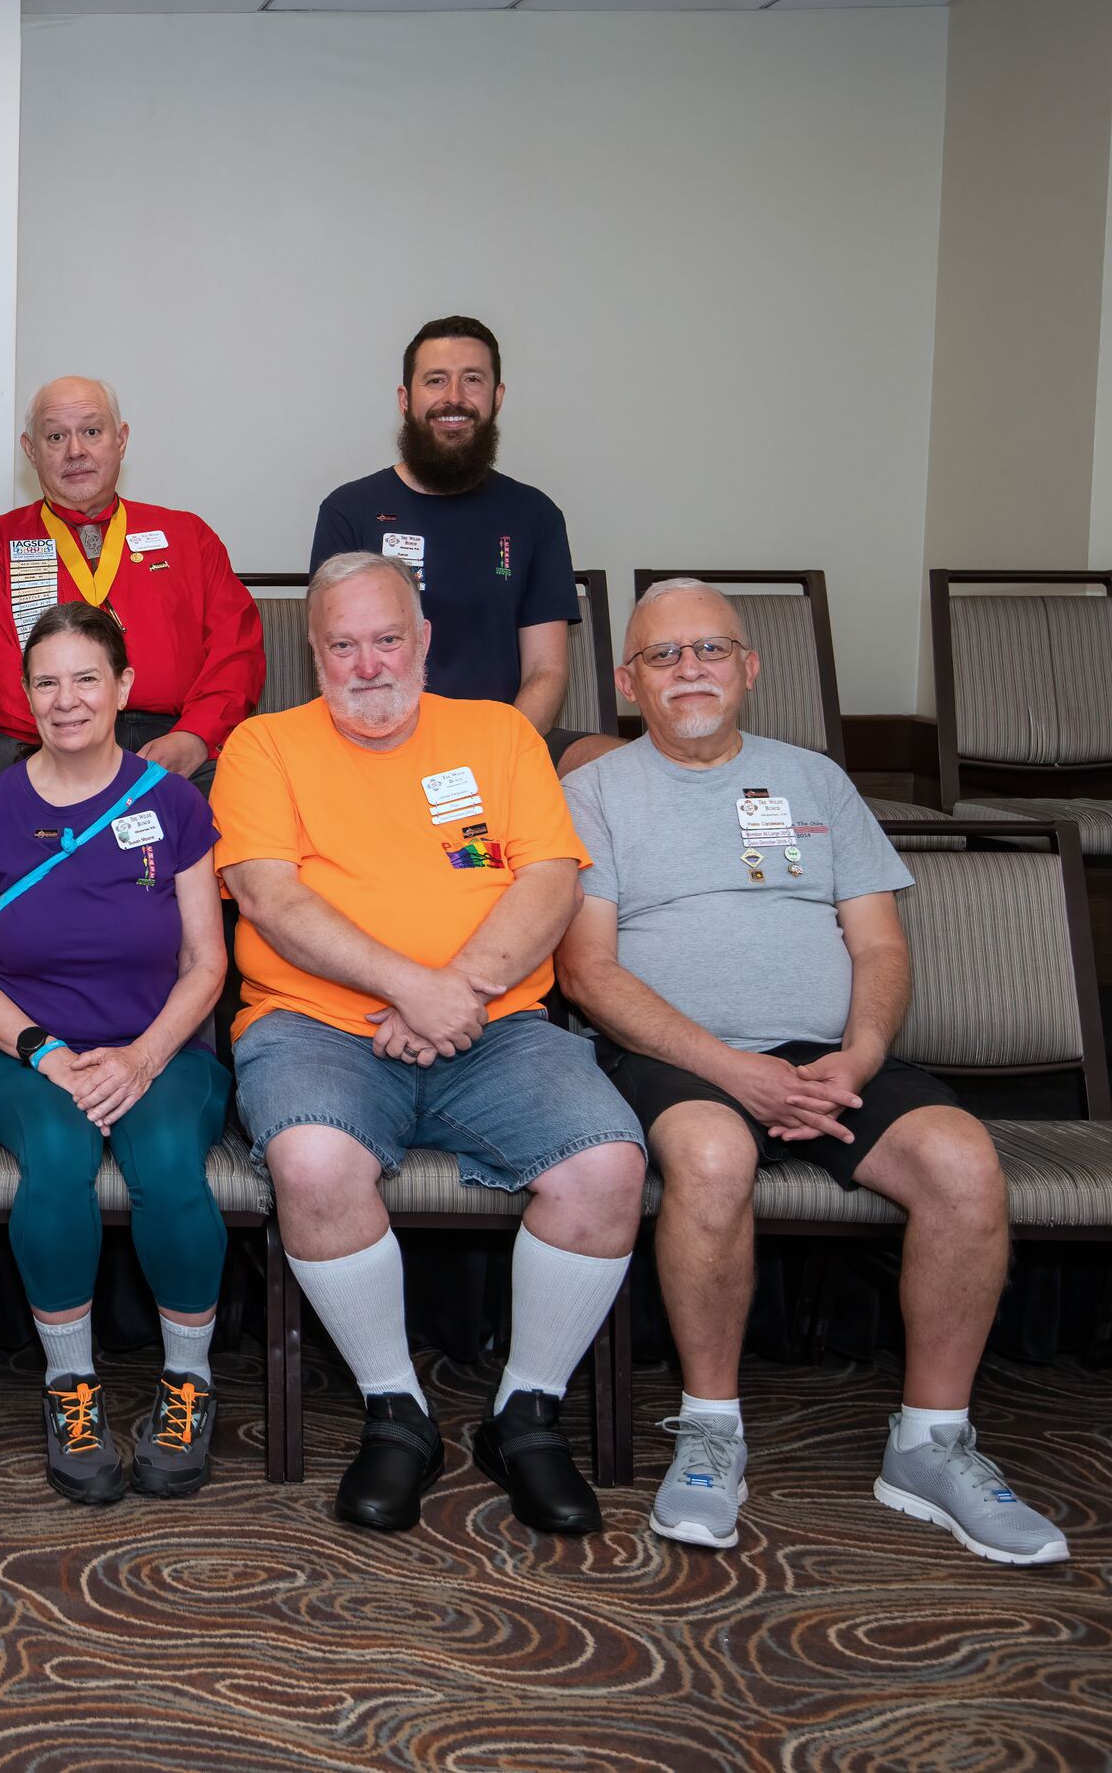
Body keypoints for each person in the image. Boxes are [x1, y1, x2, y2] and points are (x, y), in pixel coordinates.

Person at [557, 579, 1067, 1566]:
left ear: (750, 667)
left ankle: (931, 1443)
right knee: (711, 1157)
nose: (689, 669)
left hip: (829, 1056)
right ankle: (712, 1430)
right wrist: (734, 1071)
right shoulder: (594, 793)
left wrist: (859, 1056)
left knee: (962, 1161)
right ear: (627, 683)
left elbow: (878, 945)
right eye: (663, 655)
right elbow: (587, 972)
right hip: (675, 1054)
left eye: (711, 649)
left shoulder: (815, 779)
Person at [212, 552, 644, 1537]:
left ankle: (526, 1413)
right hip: (314, 1026)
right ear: (312, 652)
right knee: (312, 1162)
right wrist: (412, 986)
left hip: (497, 1026)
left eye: (386, 639)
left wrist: (457, 992)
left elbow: (549, 881)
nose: (367, 665)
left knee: (607, 1164)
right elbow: (272, 899)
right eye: (342, 645)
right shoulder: (262, 745)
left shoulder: (497, 733)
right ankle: (395, 1408)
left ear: (424, 640)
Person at [0, 603, 231, 1503]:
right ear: (26, 695)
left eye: (86, 679)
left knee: (170, 1162)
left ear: (124, 687)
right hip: (25, 1054)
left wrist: (141, 1058)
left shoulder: (174, 802)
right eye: (47, 683)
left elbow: (207, 962)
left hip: (161, 1046)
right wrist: (48, 1054)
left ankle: (189, 1384)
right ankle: (71, 1386)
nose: (66, 700)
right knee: (59, 1156)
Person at [309, 316, 601, 769]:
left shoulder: (536, 515)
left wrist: (497, 756)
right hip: (382, 740)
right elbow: (339, 664)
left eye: (472, 380)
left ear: (496, 398)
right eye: (435, 380)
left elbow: (546, 671)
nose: (454, 397)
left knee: (612, 763)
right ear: (405, 399)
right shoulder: (349, 511)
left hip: (506, 738)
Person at [0, 377, 263, 794]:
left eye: (91, 431)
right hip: (39, 733)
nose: (75, 450)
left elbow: (237, 651)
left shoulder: (189, 536)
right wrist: (72, 732)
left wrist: (195, 735)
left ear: (120, 440)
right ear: (30, 450)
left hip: (172, 736)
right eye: (55, 436)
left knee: (243, 798)